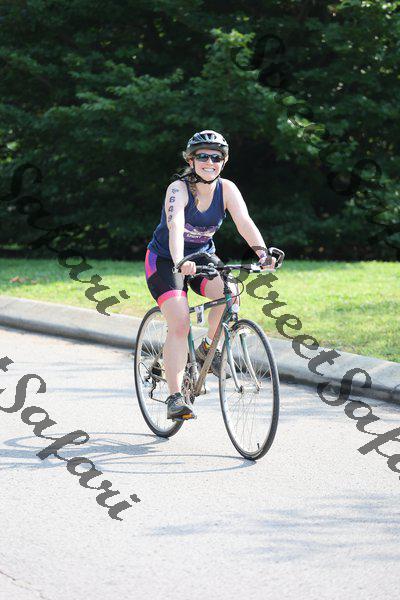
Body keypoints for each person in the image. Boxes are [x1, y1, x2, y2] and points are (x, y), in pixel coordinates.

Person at [145, 130, 275, 420]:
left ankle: (207, 349)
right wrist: (179, 260)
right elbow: (176, 225)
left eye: (216, 158)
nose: (209, 162)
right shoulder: (178, 189)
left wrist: (262, 253)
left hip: (202, 256)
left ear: (223, 162)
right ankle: (175, 397)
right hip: (166, 259)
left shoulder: (227, 189)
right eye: (202, 156)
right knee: (180, 323)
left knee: (231, 294)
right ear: (191, 160)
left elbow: (244, 222)